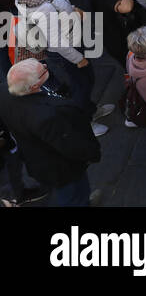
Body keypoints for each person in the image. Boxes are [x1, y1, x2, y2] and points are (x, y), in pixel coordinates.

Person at [0, 59, 102, 205]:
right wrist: (92, 154)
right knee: (73, 196)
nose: (47, 65)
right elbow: (71, 146)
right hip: (61, 170)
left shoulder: (3, 92)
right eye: (43, 70)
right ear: (35, 86)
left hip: (35, 160)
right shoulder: (47, 116)